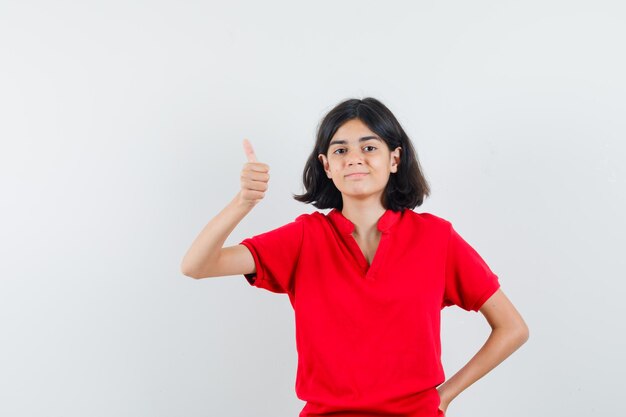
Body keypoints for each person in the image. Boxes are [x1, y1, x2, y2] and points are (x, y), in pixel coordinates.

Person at [181, 97, 529, 417]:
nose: (354, 158)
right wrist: (244, 201)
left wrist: (445, 395)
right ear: (326, 165)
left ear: (395, 158)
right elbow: (197, 266)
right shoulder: (304, 237)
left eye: (369, 147)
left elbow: (512, 328)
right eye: (340, 150)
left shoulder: (436, 238)